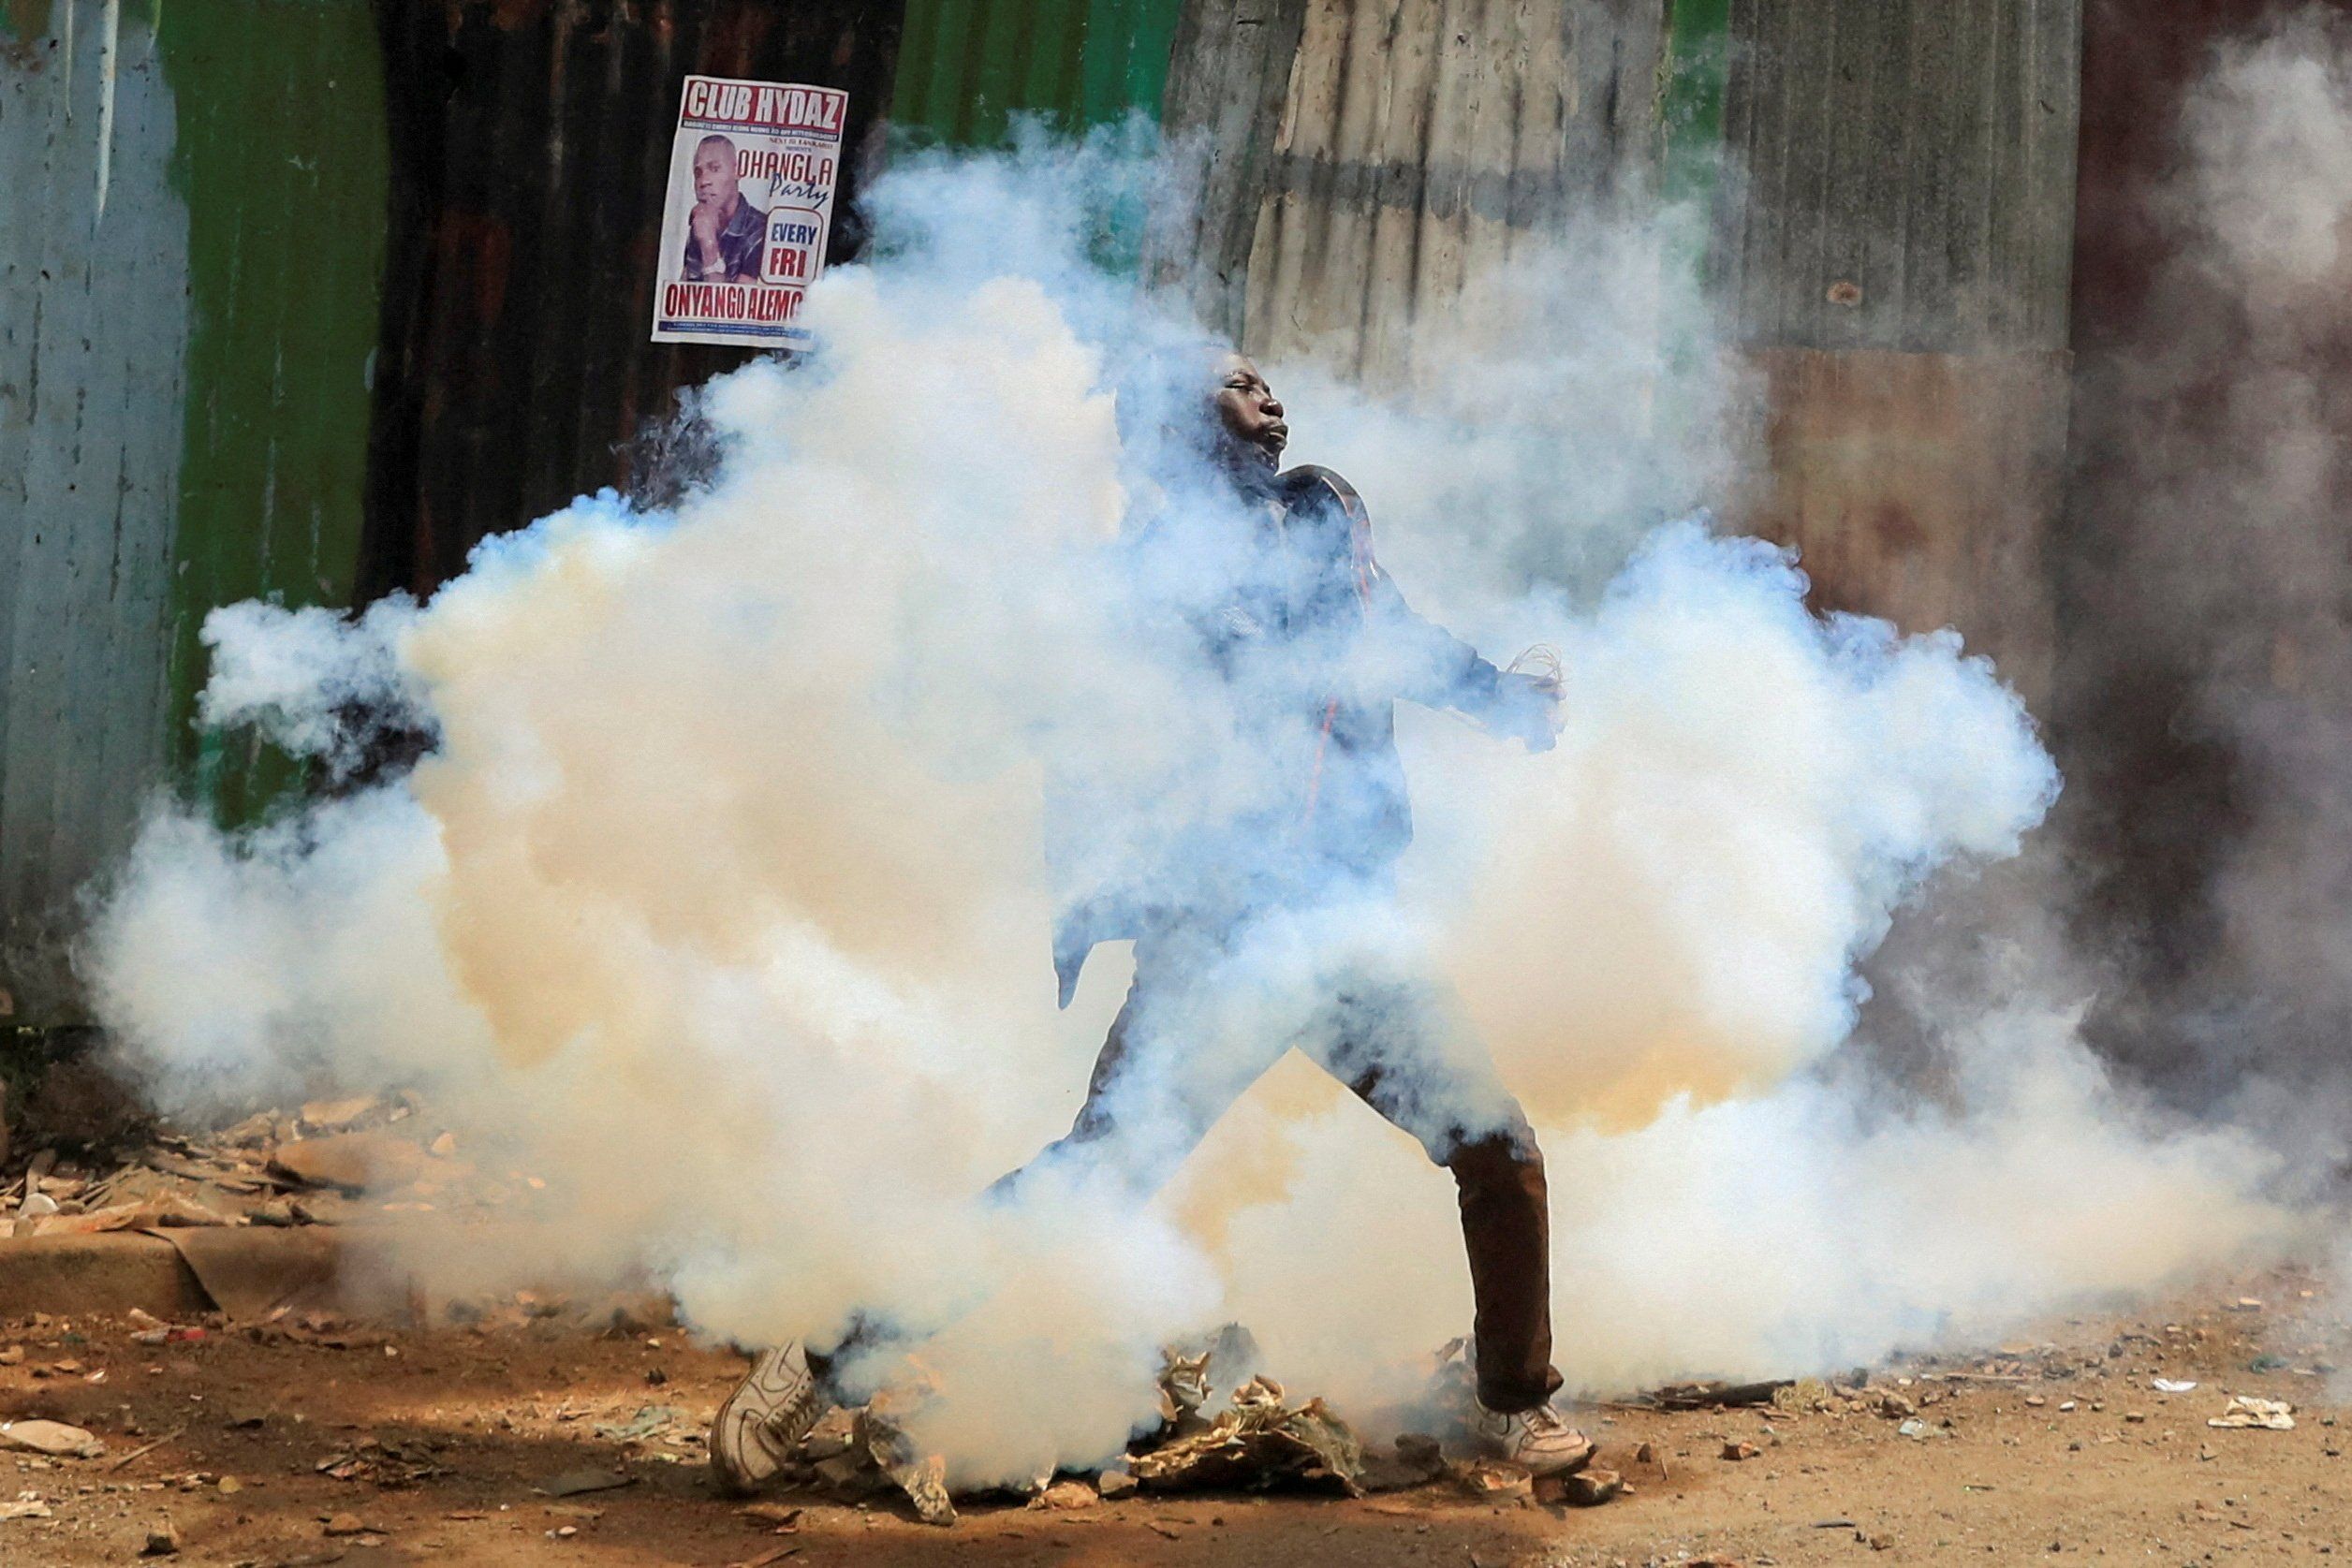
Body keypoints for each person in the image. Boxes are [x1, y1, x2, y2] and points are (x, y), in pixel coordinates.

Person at [710, 350, 1587, 1492]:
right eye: (1237, 381)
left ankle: (1512, 1404)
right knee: (1089, 1182)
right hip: (1215, 944)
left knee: (1498, 1149)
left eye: (1268, 382)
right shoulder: (1131, 579)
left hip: (1341, 931)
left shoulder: (1321, 515)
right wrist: (1091, 902)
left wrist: (1501, 702)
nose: (1268, 395)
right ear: (1177, 422)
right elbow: (1081, 745)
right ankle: (820, 1356)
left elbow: (1396, 642)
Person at [681, 134, 767, 284]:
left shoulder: (760, 229)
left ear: (737, 171)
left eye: (714, 169)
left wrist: (709, 247)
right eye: (698, 173)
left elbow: (734, 305)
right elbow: (684, 297)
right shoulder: (701, 224)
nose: (703, 181)